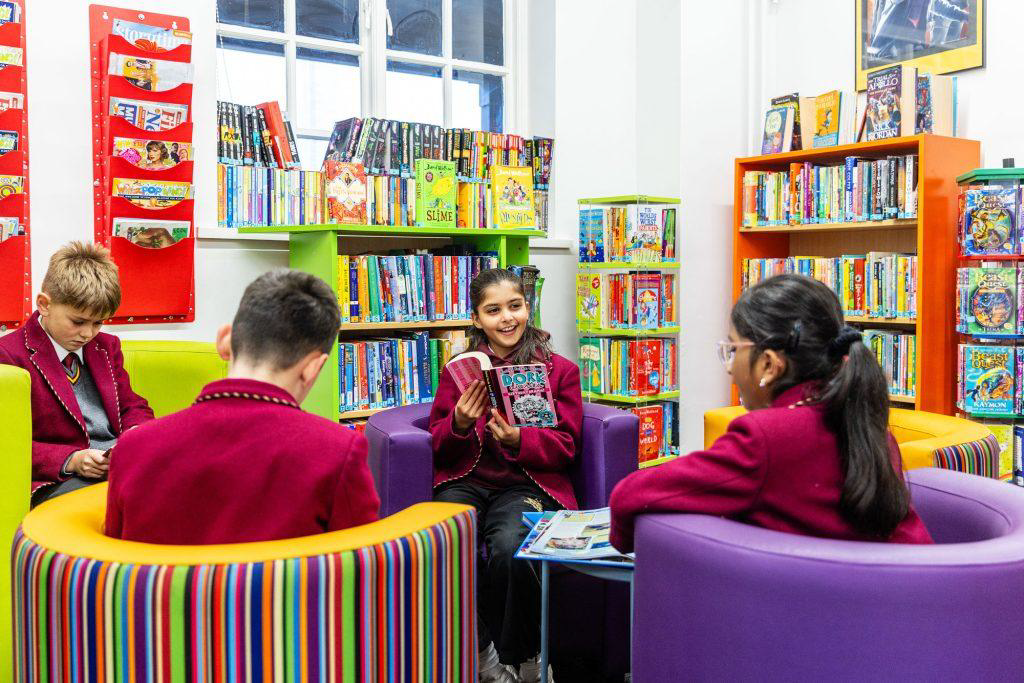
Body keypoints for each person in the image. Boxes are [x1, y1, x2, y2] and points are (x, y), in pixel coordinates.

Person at [609, 274, 933, 553]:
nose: (729, 369)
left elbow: (630, 496)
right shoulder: (864, 422)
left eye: (733, 349)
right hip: (912, 605)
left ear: (768, 364)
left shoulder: (765, 436)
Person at [104, 269, 380, 544]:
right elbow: (363, 568)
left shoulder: (132, 448)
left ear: (225, 340)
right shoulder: (339, 452)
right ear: (313, 367)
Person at [429, 268, 583, 683]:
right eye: (493, 310)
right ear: (477, 319)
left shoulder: (559, 371)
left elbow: (567, 445)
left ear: (527, 308)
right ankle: (484, 656)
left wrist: (520, 439)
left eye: (514, 306)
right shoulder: (460, 369)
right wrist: (459, 421)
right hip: (467, 481)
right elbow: (439, 444)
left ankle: (530, 655)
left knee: (509, 544)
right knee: (441, 541)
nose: (506, 318)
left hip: (524, 483)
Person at [0, 241, 154, 506]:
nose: (88, 333)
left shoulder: (105, 346)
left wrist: (135, 436)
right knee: (120, 500)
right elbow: (9, 441)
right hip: (59, 478)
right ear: (44, 304)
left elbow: (132, 405)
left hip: (114, 465)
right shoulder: (9, 355)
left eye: (98, 323)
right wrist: (72, 460)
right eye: (78, 322)